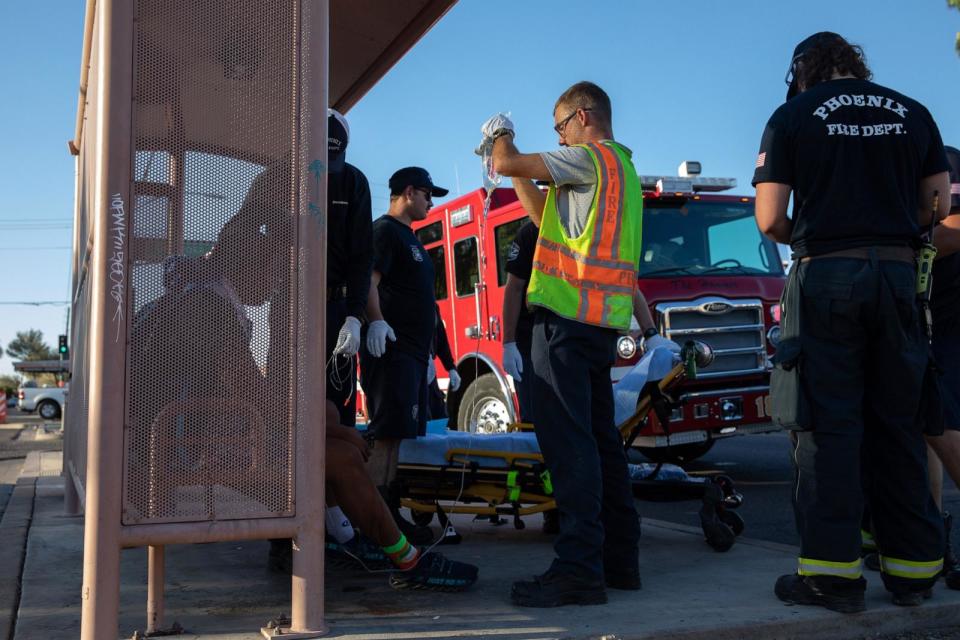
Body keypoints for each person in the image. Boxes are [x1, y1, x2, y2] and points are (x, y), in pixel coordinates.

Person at [752, 32, 950, 612]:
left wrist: (819, 235)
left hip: (827, 279)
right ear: (856, 64)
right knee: (899, 422)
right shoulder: (913, 112)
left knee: (827, 426)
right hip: (896, 275)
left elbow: (768, 218)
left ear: (803, 71)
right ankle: (914, 573)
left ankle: (831, 579)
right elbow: (935, 203)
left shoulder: (792, 115)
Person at [483, 81, 644, 607]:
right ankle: (619, 561)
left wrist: (499, 135)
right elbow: (539, 213)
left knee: (569, 447)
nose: (557, 137)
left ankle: (577, 569)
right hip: (596, 328)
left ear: (580, 117)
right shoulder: (621, 170)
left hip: (562, 328)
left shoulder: (587, 157)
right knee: (600, 444)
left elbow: (508, 164)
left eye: (558, 127)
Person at [268, 109, 374, 568]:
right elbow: (247, 235)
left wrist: (355, 317)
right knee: (287, 415)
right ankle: (281, 535)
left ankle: (334, 524)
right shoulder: (277, 177)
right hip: (290, 307)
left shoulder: (353, 182)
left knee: (337, 414)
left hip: (334, 310)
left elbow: (361, 254)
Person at [360, 166, 449, 546]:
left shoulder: (410, 239)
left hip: (412, 354)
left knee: (398, 435)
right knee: (385, 434)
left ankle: (389, 512)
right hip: (391, 351)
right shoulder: (385, 233)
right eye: (428, 194)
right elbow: (369, 282)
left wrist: (430, 354)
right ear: (409, 192)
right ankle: (374, 519)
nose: (430, 202)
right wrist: (377, 322)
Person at [923, 145, 960, 587]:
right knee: (925, 425)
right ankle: (931, 543)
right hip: (925, 317)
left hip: (947, 319)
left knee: (941, 424)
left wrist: (901, 246)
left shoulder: (942, 159)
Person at [425, 304, 461, 421]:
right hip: (411, 371)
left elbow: (440, 337)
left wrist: (450, 367)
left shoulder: (431, 305)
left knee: (440, 418)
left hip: (429, 375)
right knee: (422, 421)